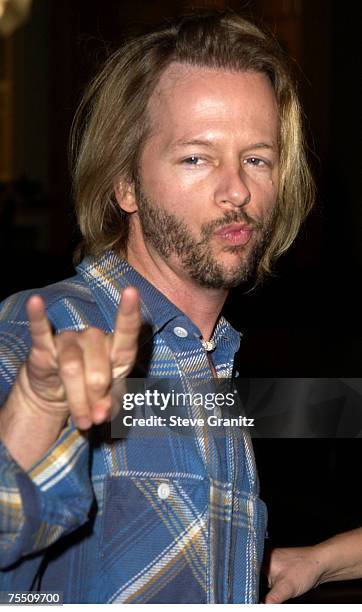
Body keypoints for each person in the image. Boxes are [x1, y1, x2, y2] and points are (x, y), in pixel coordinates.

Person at [0, 10, 314, 603]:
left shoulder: (217, 357)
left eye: (257, 158)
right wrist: (35, 411)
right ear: (124, 184)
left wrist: (323, 561)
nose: (237, 190)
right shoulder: (46, 328)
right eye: (197, 157)